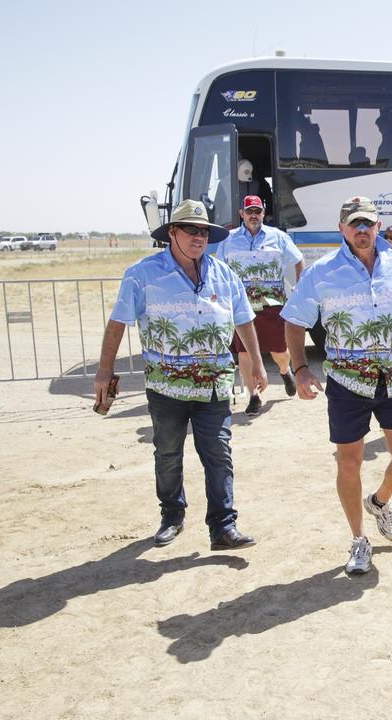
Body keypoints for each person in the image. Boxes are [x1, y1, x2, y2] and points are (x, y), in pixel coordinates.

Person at [281, 196, 392, 576]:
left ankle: (380, 501)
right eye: (354, 224)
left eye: (368, 223)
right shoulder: (321, 273)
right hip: (346, 381)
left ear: (378, 226)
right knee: (348, 462)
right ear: (342, 229)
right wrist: (300, 368)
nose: (362, 230)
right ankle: (358, 539)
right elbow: (293, 321)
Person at [93, 200, 264, 551]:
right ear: (172, 233)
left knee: (218, 452)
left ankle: (223, 526)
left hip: (215, 384)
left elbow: (243, 319)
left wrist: (258, 364)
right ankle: (172, 515)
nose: (198, 237)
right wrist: (104, 370)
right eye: (190, 230)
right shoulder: (142, 274)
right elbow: (118, 324)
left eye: (203, 231)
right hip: (166, 387)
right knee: (168, 453)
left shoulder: (224, 273)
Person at [215, 195, 305, 416]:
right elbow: (218, 268)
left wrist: (300, 289)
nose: (253, 215)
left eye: (258, 211)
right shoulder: (228, 239)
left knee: (280, 351)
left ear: (263, 213)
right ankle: (254, 395)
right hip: (240, 306)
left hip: (272, 303)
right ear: (241, 214)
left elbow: (298, 260)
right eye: (249, 211)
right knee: (244, 352)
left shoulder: (279, 237)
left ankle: (285, 372)